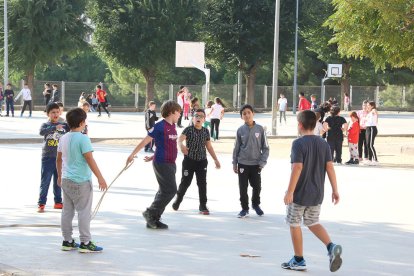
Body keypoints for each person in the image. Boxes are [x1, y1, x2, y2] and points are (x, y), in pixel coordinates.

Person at [281, 110, 342, 272]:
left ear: (300, 125)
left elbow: (297, 167)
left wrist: (289, 191)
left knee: (294, 223)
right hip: (316, 193)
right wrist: (335, 190)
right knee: (312, 221)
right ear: (315, 124)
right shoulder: (323, 143)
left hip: (299, 194)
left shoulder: (298, 143)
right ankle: (331, 246)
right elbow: (329, 167)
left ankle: (299, 259)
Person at [57, 107, 108, 253]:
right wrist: (100, 177)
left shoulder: (63, 138)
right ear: (81, 122)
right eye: (85, 120)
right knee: (84, 212)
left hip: (66, 180)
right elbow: (90, 159)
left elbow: (59, 159)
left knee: (67, 211)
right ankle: (85, 242)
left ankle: (67, 241)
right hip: (81, 182)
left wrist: (60, 176)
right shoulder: (83, 138)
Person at [126, 100, 182, 230]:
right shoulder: (159, 126)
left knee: (164, 190)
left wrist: (153, 155)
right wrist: (132, 154)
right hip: (162, 163)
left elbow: (165, 145)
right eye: (179, 112)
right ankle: (150, 213)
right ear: (172, 112)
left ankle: (154, 219)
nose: (180, 114)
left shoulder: (172, 126)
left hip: (170, 162)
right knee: (171, 190)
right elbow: (145, 141)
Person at [172, 109, 221, 215]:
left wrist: (215, 159)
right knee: (185, 182)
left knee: (202, 183)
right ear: (193, 118)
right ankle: (178, 200)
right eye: (196, 116)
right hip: (189, 161)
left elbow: (209, 146)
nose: (198, 118)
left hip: (202, 161)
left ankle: (203, 205)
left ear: (204, 119)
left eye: (201, 116)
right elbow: (179, 140)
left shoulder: (205, 131)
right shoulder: (188, 130)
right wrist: (181, 145)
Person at [232, 104, 269, 218]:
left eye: (249, 112)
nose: (247, 115)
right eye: (244, 114)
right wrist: (235, 163)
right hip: (243, 163)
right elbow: (236, 147)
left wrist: (262, 163)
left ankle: (255, 204)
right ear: (241, 117)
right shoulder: (240, 130)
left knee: (257, 186)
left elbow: (266, 147)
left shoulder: (260, 129)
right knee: (243, 187)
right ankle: (244, 208)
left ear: (253, 113)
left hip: (256, 164)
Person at [37, 103, 70, 213]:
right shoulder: (45, 125)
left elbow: (73, 130)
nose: (55, 114)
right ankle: (41, 203)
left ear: (60, 112)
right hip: (48, 158)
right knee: (45, 181)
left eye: (57, 112)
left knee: (59, 180)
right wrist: (54, 127)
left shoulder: (64, 125)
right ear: (48, 114)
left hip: (60, 159)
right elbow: (41, 132)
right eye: (53, 112)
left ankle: (58, 202)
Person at [365, 101, 379, 165]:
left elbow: (375, 112)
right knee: (367, 144)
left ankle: (375, 160)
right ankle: (370, 159)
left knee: (370, 145)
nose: (367, 106)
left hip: (372, 128)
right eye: (367, 105)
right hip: (368, 128)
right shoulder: (369, 113)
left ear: (372, 106)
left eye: (368, 105)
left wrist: (374, 110)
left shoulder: (373, 110)